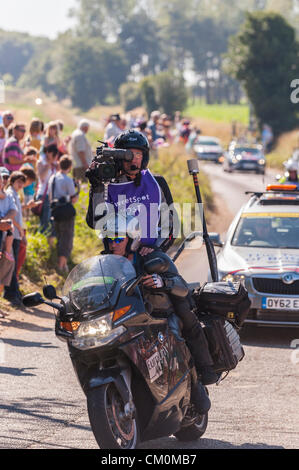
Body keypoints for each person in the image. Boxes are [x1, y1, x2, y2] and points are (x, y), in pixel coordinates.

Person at [86, 129, 218, 387]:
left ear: (144, 157)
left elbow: (172, 227)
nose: (133, 160)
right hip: (117, 258)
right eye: (127, 155)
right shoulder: (106, 185)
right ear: (117, 158)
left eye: (138, 154)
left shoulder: (156, 181)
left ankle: (205, 367)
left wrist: (154, 245)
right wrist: (95, 187)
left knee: (183, 304)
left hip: (151, 257)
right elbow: (95, 221)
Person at [48, 155, 78, 273]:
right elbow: (73, 199)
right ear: (70, 166)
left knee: (60, 236)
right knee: (67, 238)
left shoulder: (53, 178)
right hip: (66, 212)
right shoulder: (67, 179)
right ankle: (61, 266)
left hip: (55, 211)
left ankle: (64, 264)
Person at [4, 171, 27, 306]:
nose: (20, 185)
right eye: (18, 182)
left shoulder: (15, 194)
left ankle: (14, 291)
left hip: (17, 233)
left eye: (22, 183)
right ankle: (11, 292)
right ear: (12, 181)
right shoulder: (10, 193)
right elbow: (12, 215)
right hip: (14, 232)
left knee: (15, 263)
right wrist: (19, 229)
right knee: (11, 264)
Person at [36, 144, 59, 240]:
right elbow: (41, 177)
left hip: (53, 196)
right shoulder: (41, 162)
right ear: (49, 153)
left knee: (52, 222)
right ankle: (41, 243)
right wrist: (49, 164)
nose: (56, 157)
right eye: (54, 155)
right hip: (43, 196)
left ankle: (50, 246)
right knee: (44, 222)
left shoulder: (56, 165)